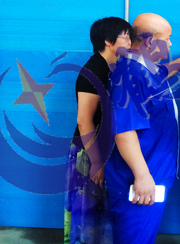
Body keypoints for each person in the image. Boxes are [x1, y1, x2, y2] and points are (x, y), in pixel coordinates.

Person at [105, 13, 180, 244]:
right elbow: (124, 132)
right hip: (138, 181)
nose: (171, 44)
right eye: (168, 38)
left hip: (154, 173)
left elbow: (165, 72)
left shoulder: (147, 68)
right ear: (149, 42)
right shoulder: (130, 76)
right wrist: (142, 176)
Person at [64, 16, 134, 244]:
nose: (130, 42)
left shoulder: (113, 68)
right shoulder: (93, 71)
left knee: (102, 217)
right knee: (88, 220)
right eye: (125, 37)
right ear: (108, 41)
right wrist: (96, 162)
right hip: (88, 151)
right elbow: (84, 121)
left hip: (103, 150)